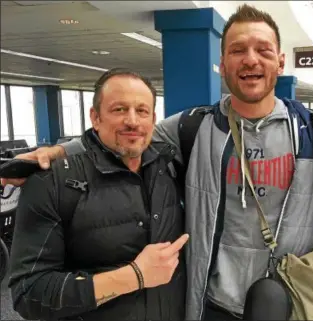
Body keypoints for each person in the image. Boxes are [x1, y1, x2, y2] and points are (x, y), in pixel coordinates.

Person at [1, 4, 313, 321]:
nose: (251, 59)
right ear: (221, 65)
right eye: (238, 50)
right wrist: (60, 152)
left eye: (264, 49)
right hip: (211, 304)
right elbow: (127, 135)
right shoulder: (192, 128)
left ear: (280, 61)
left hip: (292, 302)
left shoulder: (311, 131)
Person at [7, 68, 189, 321]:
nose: (133, 121)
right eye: (119, 110)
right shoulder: (52, 182)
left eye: (142, 111)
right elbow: (29, 295)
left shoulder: (169, 168)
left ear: (153, 119)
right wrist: (134, 275)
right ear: (95, 117)